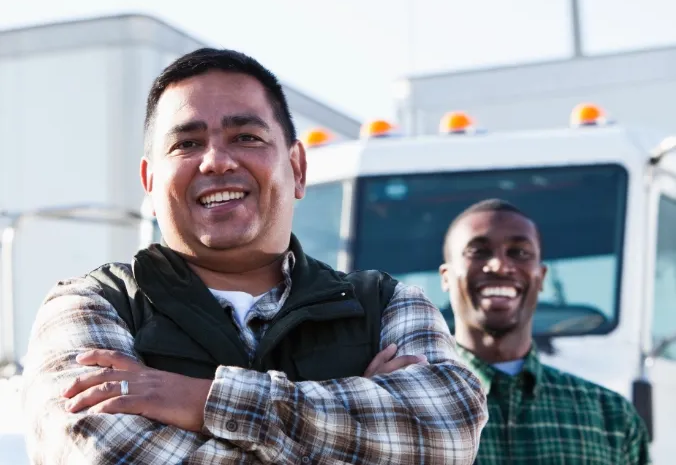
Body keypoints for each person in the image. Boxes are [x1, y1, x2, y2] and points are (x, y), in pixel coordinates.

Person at [21, 47, 488, 464]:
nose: (216, 161)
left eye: (246, 137)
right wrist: (357, 433)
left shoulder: (386, 304)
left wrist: (203, 400)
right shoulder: (92, 306)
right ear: (149, 182)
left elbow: (448, 432)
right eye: (187, 143)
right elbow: (99, 453)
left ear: (297, 168)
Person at [439, 198, 651, 464]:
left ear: (541, 276)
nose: (500, 266)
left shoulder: (612, 417)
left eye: (519, 253)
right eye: (478, 252)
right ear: (446, 277)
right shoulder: (404, 408)